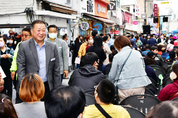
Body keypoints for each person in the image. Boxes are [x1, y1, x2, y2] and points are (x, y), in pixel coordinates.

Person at [17, 20, 61, 103]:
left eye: (43, 30)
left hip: (47, 86)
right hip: (30, 87)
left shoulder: (52, 47)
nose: (41, 33)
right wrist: (23, 87)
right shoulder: (24, 46)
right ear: (32, 31)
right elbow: (21, 68)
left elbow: (56, 70)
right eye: (38, 30)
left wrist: (57, 90)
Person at [108, 35, 151, 101]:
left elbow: (112, 75)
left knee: (127, 108)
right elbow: (143, 67)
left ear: (118, 46)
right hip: (140, 85)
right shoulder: (138, 53)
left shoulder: (117, 57)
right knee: (138, 108)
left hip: (124, 86)